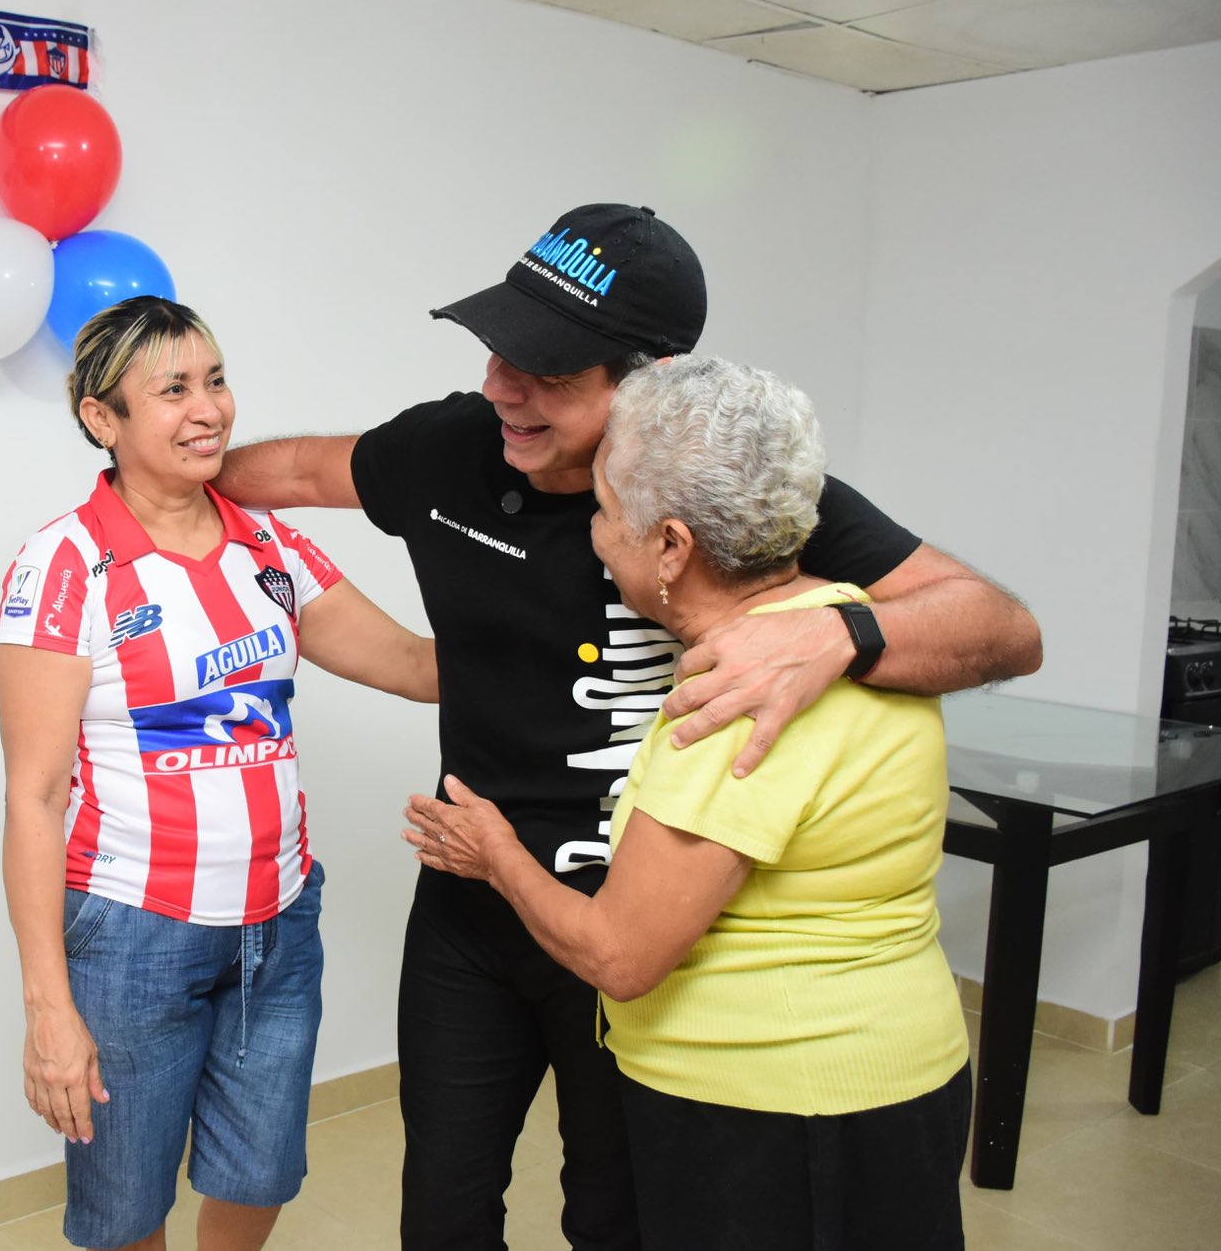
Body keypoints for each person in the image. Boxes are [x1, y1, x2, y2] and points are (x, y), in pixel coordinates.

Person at [211, 203, 1039, 1250]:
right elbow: (288, 473)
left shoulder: (731, 493)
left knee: (616, 1214)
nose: (499, 388)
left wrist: (837, 637)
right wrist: (154, 473)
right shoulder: (451, 448)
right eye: (497, 351)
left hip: (638, 924)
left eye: (547, 373)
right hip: (470, 913)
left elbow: (1000, 628)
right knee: (442, 1212)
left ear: (645, 383)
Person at [403, 355, 972, 1250]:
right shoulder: (854, 626)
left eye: (601, 512)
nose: (591, 534)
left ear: (670, 545)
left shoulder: (729, 707)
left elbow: (621, 956)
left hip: (772, 1109)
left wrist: (495, 854)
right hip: (897, 1076)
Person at [0, 296, 438, 1251]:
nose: (209, 410)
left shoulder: (266, 542)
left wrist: (553, 637)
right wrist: (49, 1009)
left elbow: (409, 665)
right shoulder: (64, 567)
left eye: (217, 379)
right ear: (100, 419)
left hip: (278, 926)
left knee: (262, 1169)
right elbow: (33, 798)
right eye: (172, 391)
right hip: (131, 936)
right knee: (125, 1204)